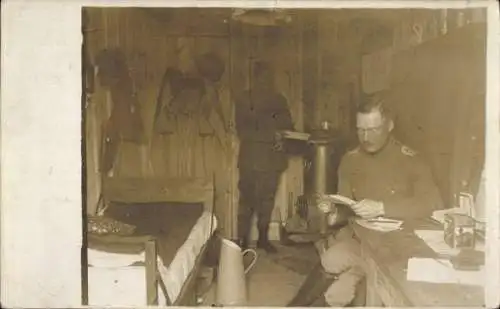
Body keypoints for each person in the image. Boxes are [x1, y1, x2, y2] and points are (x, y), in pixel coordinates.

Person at [288, 93, 443, 306]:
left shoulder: (411, 161)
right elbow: (345, 210)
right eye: (360, 130)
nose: (366, 137)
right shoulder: (351, 160)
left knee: (349, 294)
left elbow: (432, 204)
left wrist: (382, 207)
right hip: (364, 244)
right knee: (331, 266)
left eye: (373, 130)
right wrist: (332, 210)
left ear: (389, 125)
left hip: (402, 251)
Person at [235, 61, 295, 254]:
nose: (265, 82)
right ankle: (243, 240)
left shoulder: (279, 99)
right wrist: (273, 134)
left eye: (268, 78)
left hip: (271, 160)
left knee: (267, 201)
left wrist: (281, 135)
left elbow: (288, 125)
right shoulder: (244, 99)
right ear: (255, 78)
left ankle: (262, 238)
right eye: (262, 77)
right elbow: (243, 129)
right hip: (251, 160)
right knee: (247, 201)